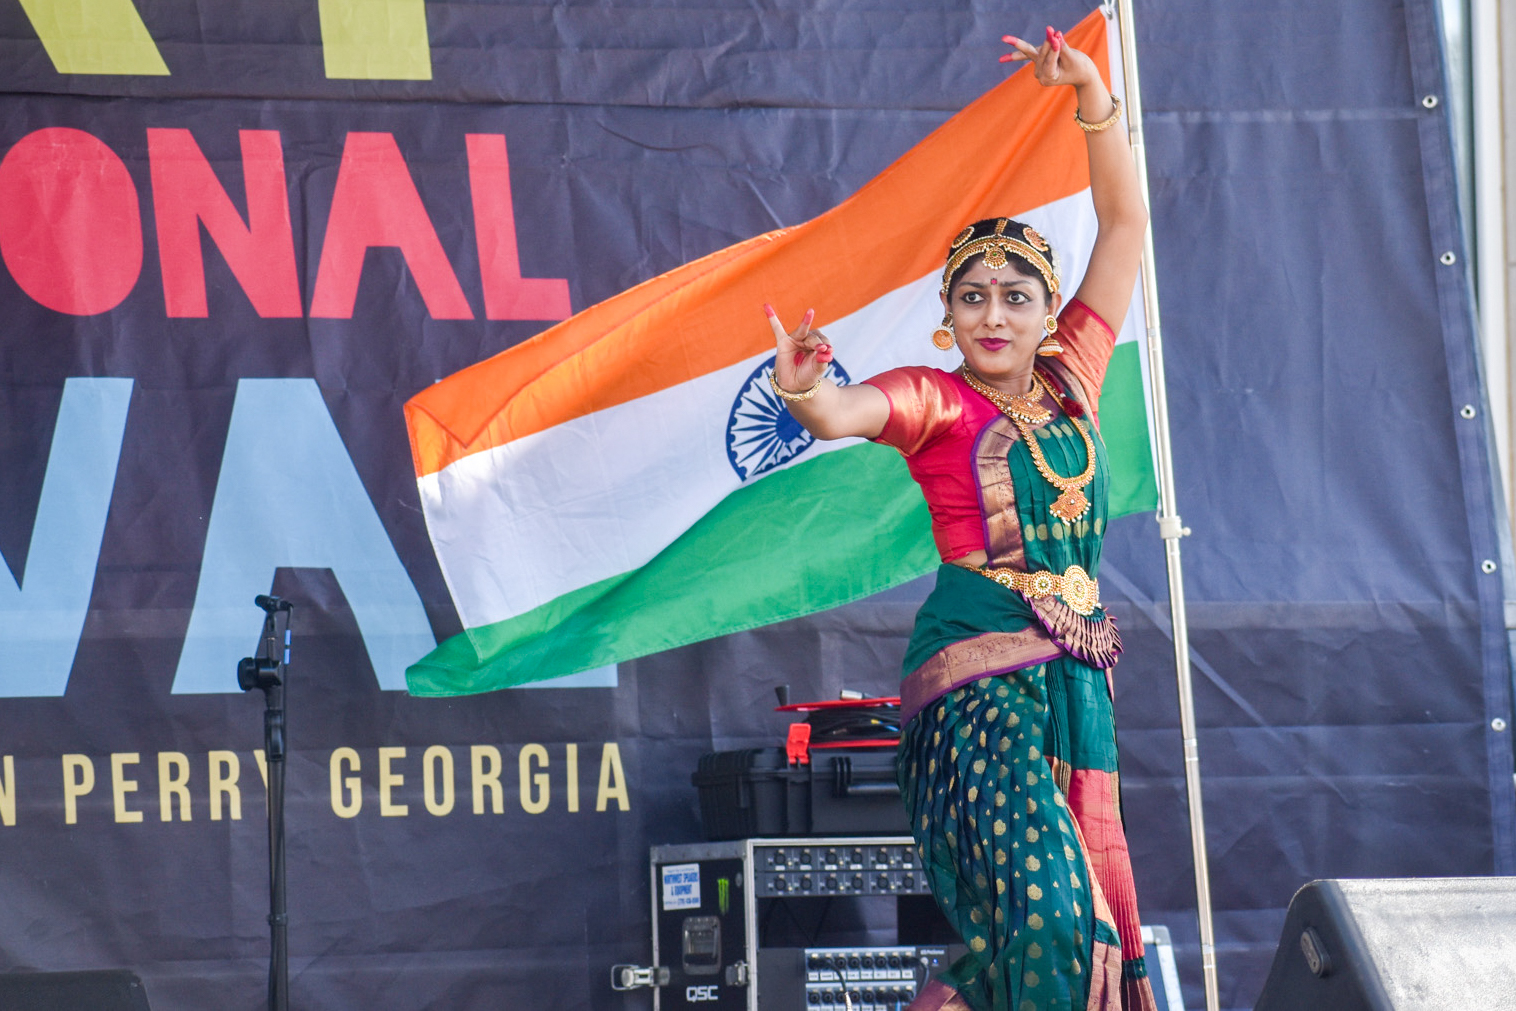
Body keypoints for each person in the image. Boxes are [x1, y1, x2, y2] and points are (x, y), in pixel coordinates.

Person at [761, 24, 1157, 1011]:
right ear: (947, 321)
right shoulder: (933, 399)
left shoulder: (1072, 379)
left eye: (1014, 297)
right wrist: (806, 392)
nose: (993, 313)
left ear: (1045, 311)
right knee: (1054, 922)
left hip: (1072, 684)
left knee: (1044, 943)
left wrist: (1091, 100)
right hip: (976, 690)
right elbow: (845, 412)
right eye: (972, 298)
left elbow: (1125, 227)